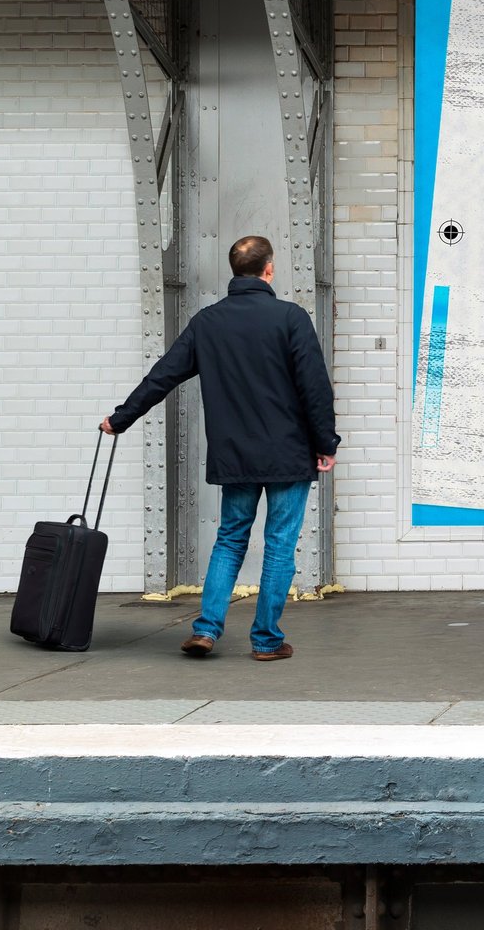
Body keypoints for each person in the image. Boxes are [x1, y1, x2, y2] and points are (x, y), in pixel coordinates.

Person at [101, 235, 339, 661]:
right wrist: (325, 443)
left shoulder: (208, 322)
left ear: (235, 270)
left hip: (236, 455)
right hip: (288, 454)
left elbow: (163, 376)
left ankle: (207, 629)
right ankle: (266, 640)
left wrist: (121, 418)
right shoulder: (290, 318)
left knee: (230, 539)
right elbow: (315, 389)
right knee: (280, 544)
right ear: (269, 269)